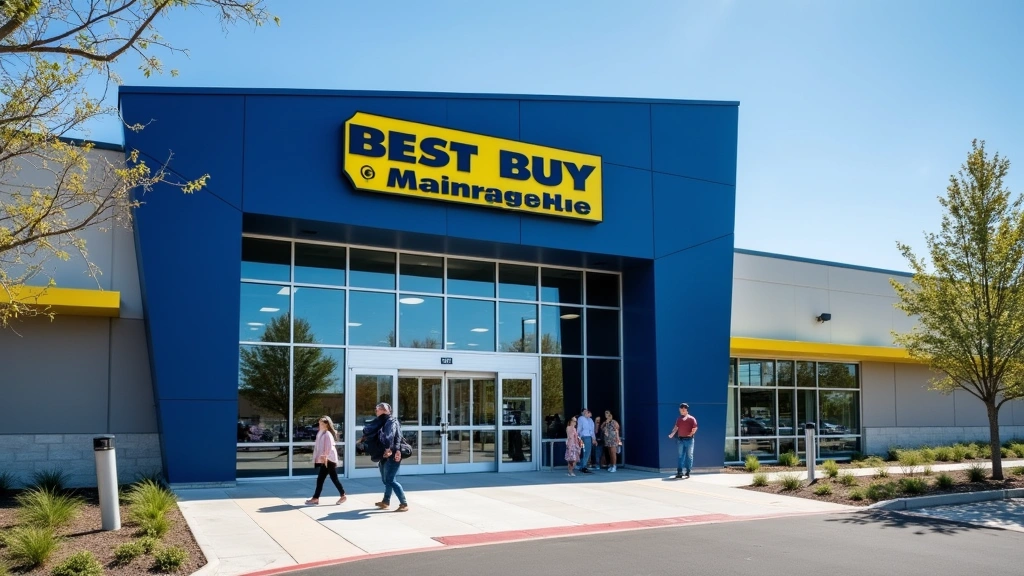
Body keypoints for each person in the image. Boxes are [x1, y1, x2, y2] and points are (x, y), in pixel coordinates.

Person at [361, 402, 409, 512]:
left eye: (378, 409)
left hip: (392, 453)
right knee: (386, 480)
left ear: (384, 410)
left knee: (390, 480)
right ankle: (386, 501)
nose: (376, 411)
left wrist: (390, 449)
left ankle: (404, 504)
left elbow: (392, 436)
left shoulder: (391, 421)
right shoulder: (381, 422)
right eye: (376, 409)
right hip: (383, 454)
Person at [305, 416, 346, 506]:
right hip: (326, 459)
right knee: (328, 478)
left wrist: (325, 457)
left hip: (329, 459)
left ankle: (316, 498)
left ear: (327, 425)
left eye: (322, 424)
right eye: (320, 423)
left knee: (324, 479)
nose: (320, 425)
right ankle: (342, 495)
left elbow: (329, 446)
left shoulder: (327, 434)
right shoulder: (321, 433)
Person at [667, 402, 698, 479]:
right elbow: (676, 427)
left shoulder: (691, 419)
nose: (682, 410)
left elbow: (695, 428)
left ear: (687, 410)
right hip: (680, 440)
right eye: (681, 409)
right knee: (681, 456)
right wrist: (672, 434)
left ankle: (688, 471)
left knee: (689, 456)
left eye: (684, 409)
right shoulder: (679, 419)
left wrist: (691, 433)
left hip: (690, 440)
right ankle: (680, 472)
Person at [576, 408, 595, 474]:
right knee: (586, 451)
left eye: (587, 412)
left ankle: (582, 466)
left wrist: (593, 438)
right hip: (584, 436)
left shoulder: (590, 420)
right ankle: (583, 466)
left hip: (589, 437)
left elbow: (592, 430)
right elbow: (579, 427)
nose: (586, 413)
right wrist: (577, 436)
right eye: (584, 412)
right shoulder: (581, 418)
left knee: (587, 452)